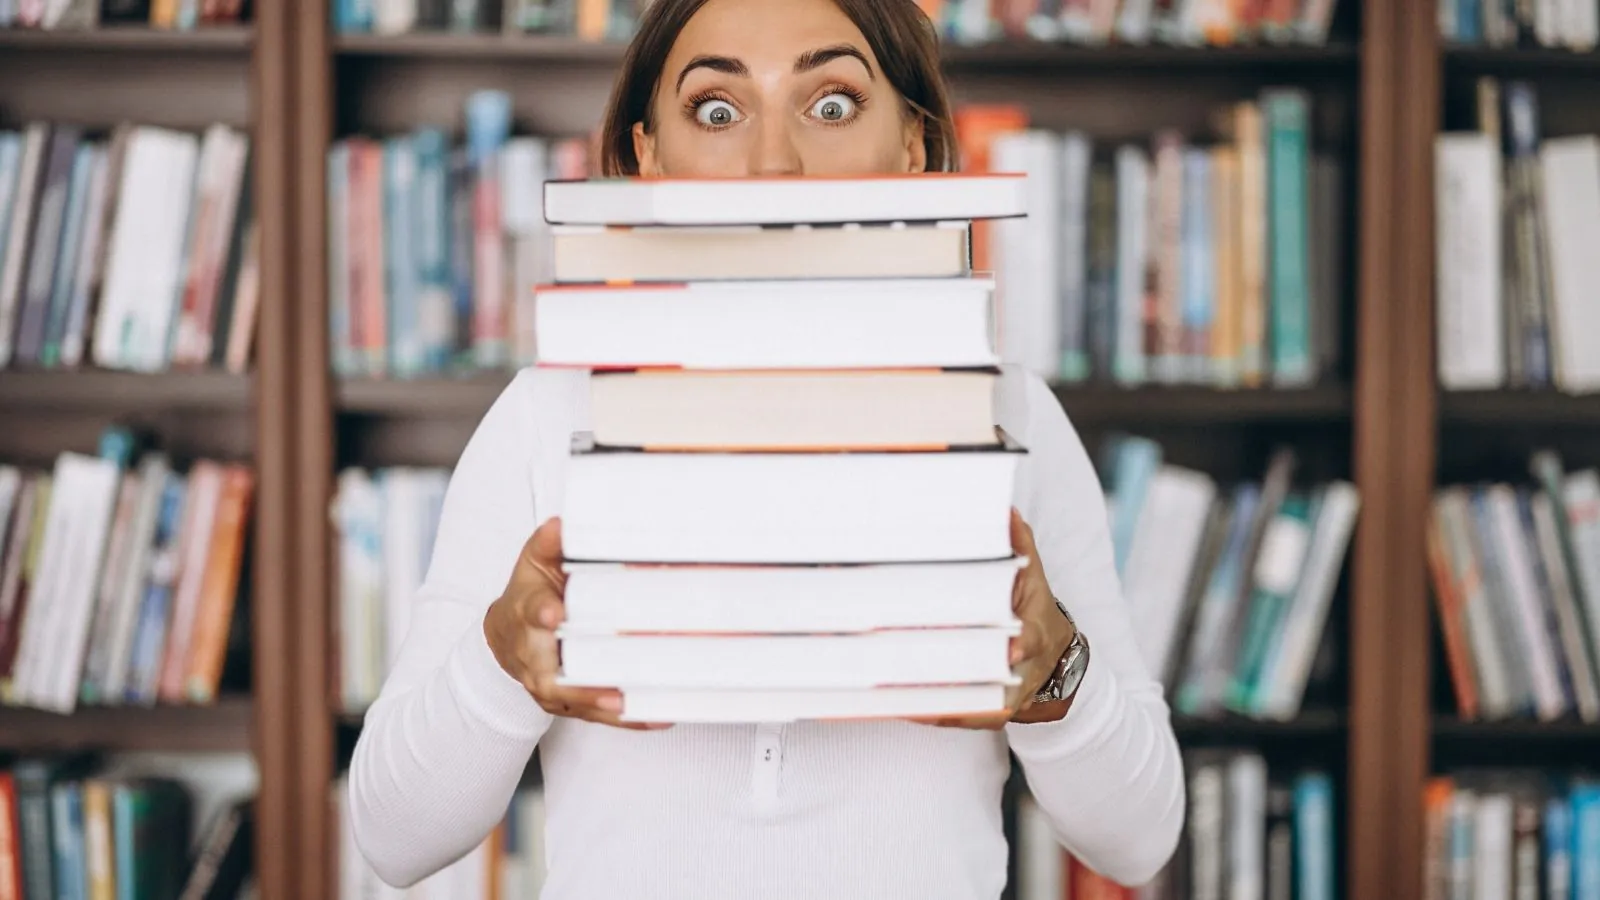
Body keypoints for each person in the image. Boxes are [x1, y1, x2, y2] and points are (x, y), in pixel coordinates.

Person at [346, 0, 1186, 896]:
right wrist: (503, 667)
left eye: (831, 106)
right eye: (716, 109)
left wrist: (1054, 675)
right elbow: (391, 839)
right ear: (646, 156)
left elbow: (1140, 841)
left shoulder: (1003, 411)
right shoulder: (548, 412)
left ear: (912, 148)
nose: (774, 162)